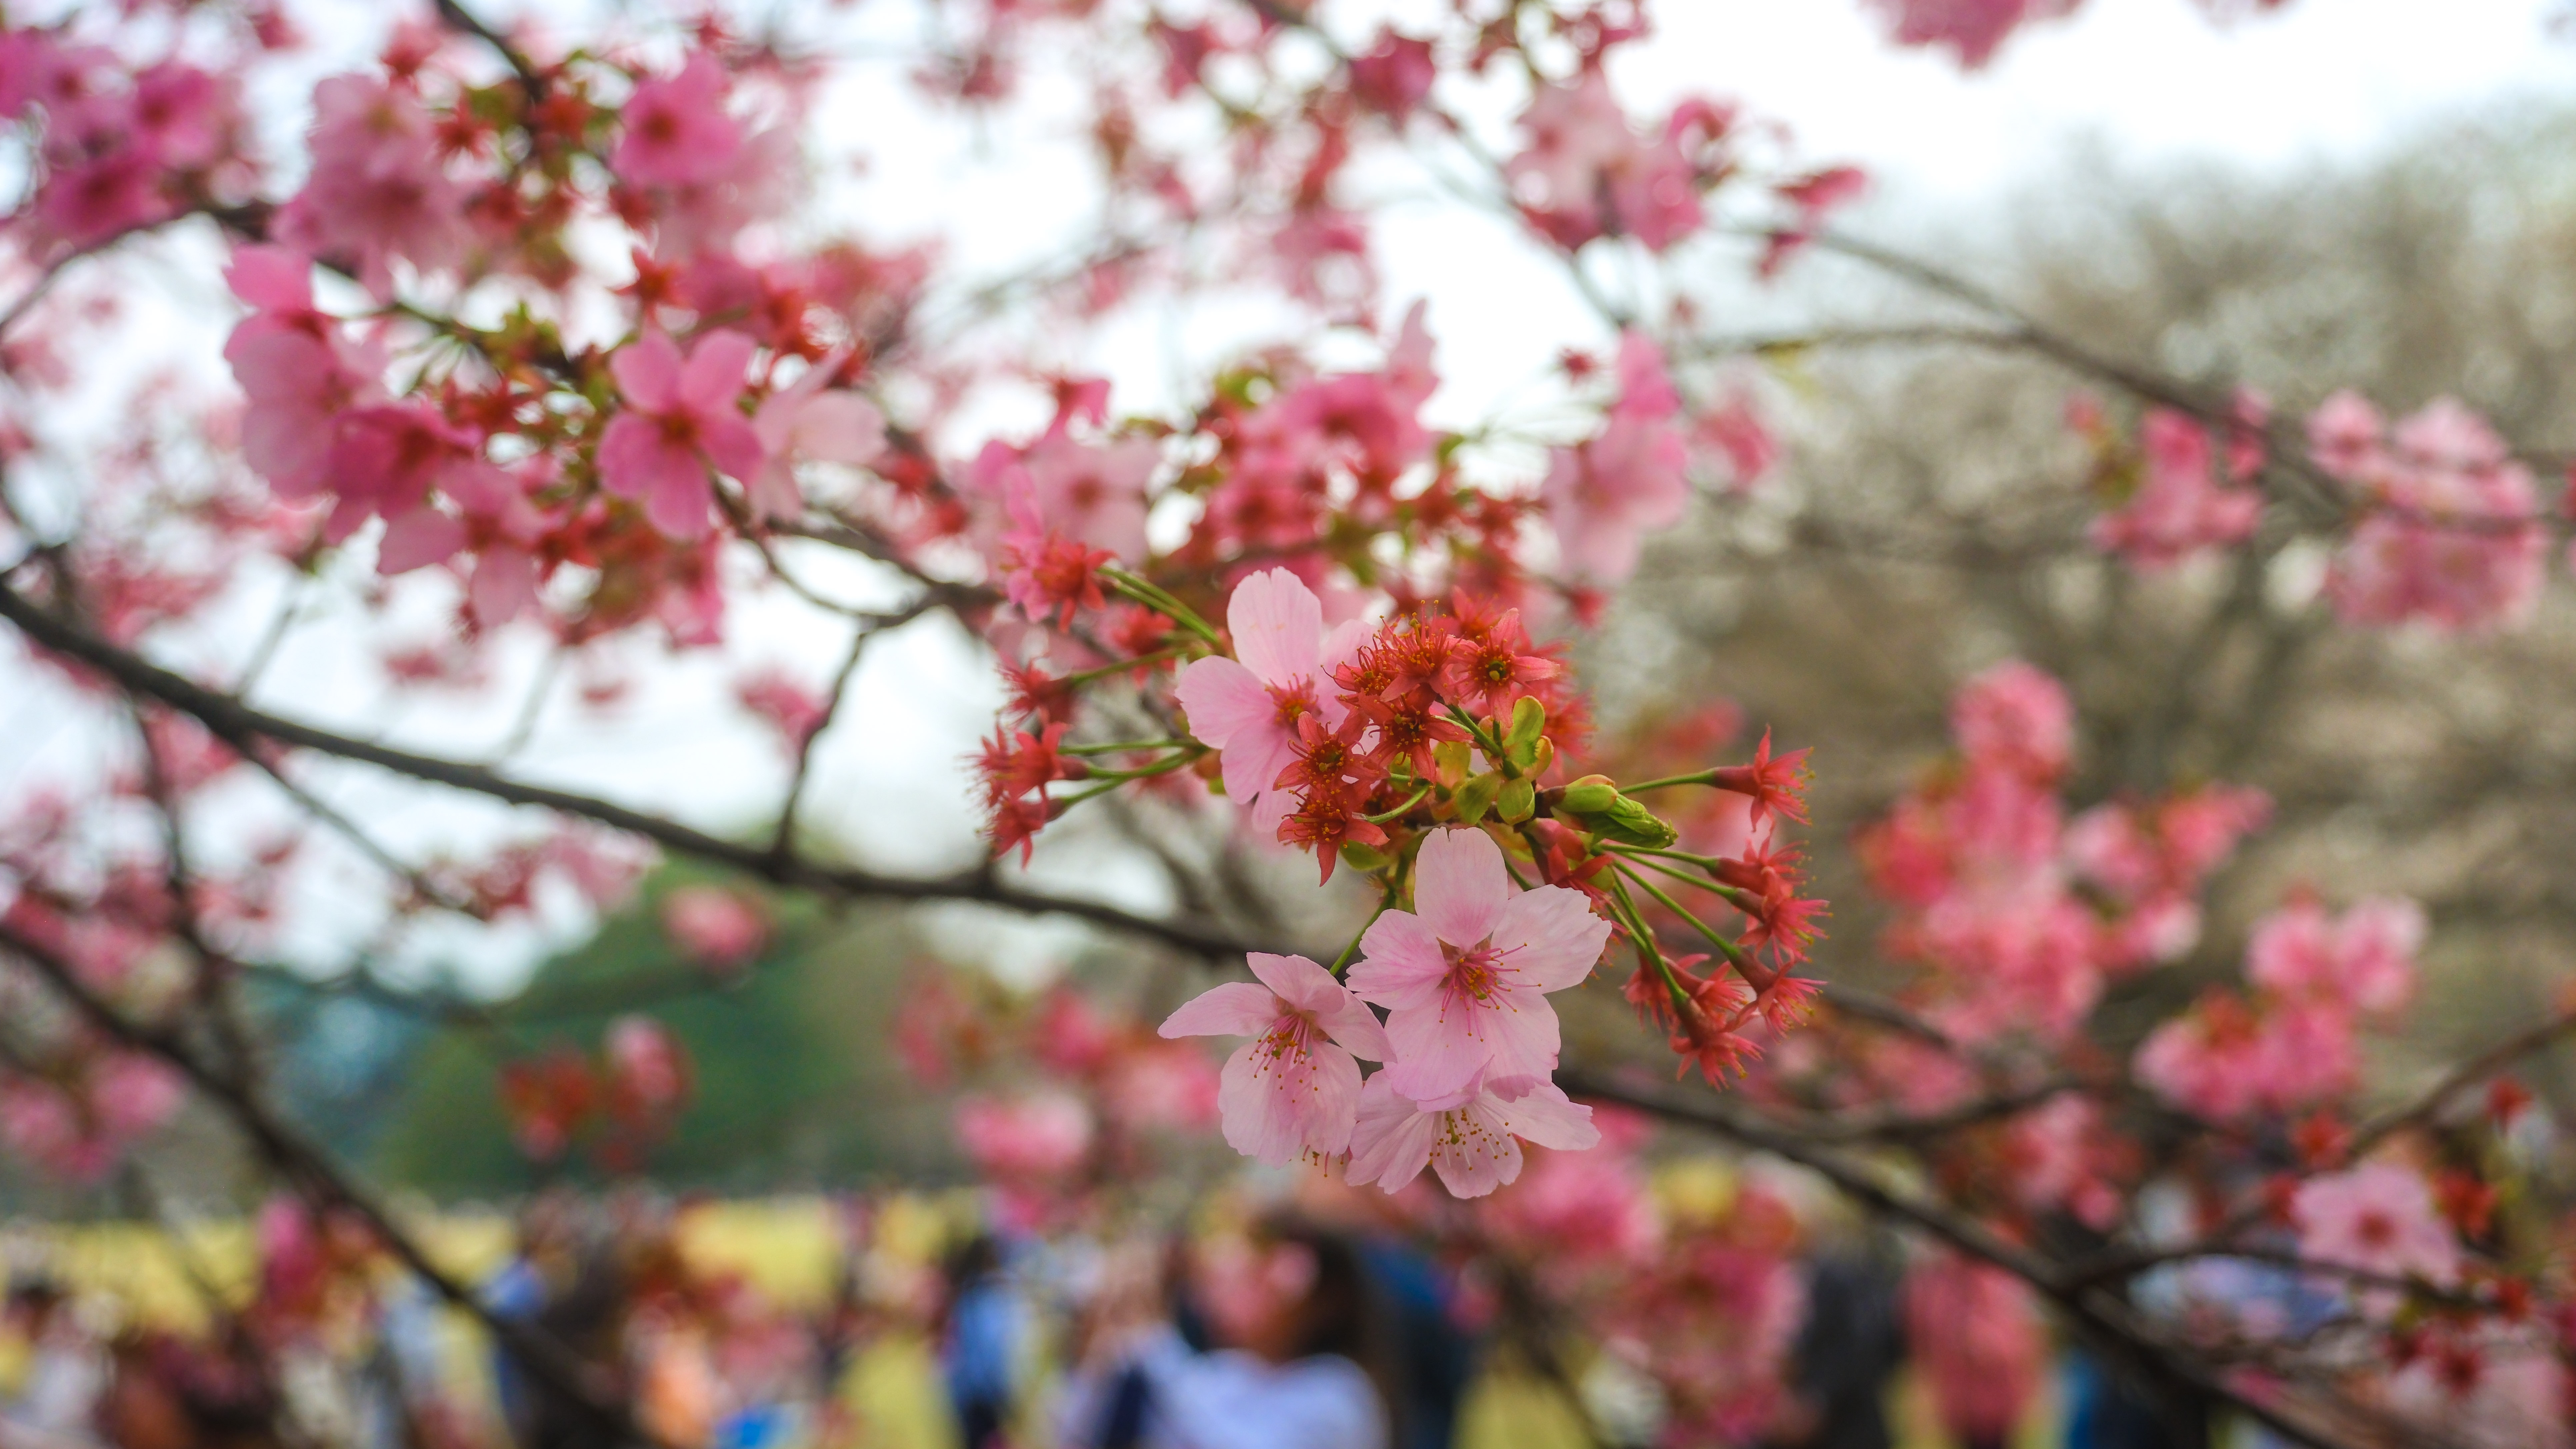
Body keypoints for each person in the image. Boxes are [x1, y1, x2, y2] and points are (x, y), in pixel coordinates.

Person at [1061, 1220, 1392, 1449]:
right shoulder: (1225, 1373)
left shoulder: (1341, 1392)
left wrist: (1157, 1348)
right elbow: (1072, 1430)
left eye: (1268, 1282)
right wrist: (1109, 1348)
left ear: (1324, 1303)